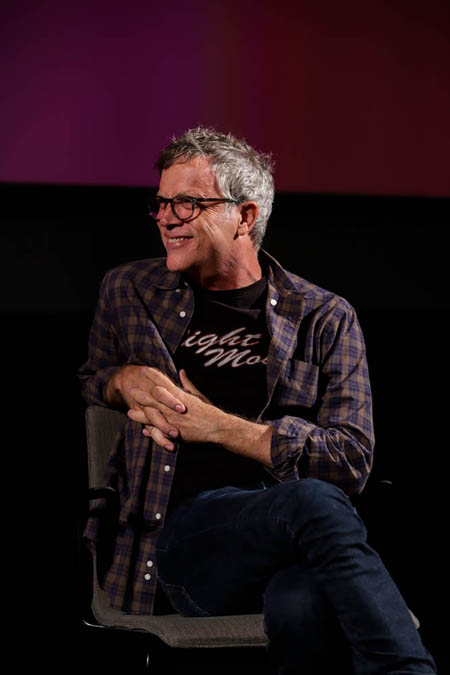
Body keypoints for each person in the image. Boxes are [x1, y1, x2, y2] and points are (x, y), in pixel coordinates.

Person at [78, 127, 436, 673]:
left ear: (245, 216)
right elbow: (91, 379)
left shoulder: (323, 316)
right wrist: (120, 379)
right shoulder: (130, 291)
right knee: (312, 502)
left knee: (303, 603)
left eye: (187, 203)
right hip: (188, 552)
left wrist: (218, 426)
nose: (166, 218)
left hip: (293, 548)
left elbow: (350, 460)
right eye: (161, 203)